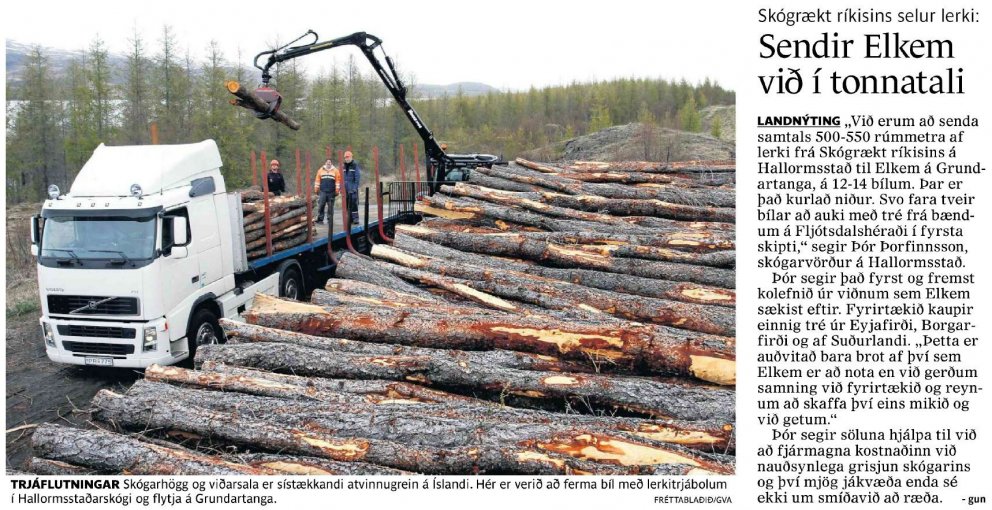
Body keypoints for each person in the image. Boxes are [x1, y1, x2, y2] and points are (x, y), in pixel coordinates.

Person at [313, 159, 338, 224]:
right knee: (321, 205)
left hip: (331, 192)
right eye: (327, 162)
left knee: (330, 207)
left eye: (329, 162)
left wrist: (337, 190)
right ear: (325, 163)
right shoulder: (320, 170)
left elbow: (338, 182)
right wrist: (316, 189)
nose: (328, 163)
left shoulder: (335, 171)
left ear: (331, 163)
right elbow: (317, 180)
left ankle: (330, 220)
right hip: (322, 191)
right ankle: (320, 220)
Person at [342, 151, 361, 224]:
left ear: (351, 157)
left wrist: (354, 188)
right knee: (347, 204)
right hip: (345, 188)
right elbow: (341, 178)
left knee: (353, 203)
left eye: (348, 157)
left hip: (352, 188)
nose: (347, 159)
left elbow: (357, 178)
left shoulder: (354, 165)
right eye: (345, 157)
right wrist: (341, 188)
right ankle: (350, 218)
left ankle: (355, 218)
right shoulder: (343, 166)